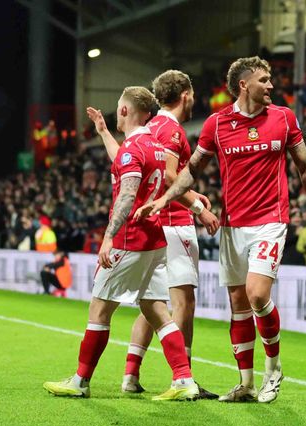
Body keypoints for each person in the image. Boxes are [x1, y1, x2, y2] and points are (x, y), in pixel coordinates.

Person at [136, 56, 306, 403]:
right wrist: (166, 198)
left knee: (257, 294)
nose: (271, 86)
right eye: (264, 80)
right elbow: (192, 169)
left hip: (271, 220)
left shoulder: (284, 118)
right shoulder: (217, 124)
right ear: (244, 85)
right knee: (239, 305)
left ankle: (273, 367)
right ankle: (246, 383)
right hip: (233, 225)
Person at [43, 86, 199, 401]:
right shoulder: (153, 146)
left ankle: (80, 380)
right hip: (155, 240)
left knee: (99, 309)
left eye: (117, 108)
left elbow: (127, 194)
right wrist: (102, 132)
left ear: (125, 111)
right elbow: (125, 161)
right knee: (156, 310)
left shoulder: (133, 149)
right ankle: (184, 380)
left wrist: (109, 237)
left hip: (131, 240)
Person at [88, 70, 220, 397]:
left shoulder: (147, 131)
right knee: (182, 302)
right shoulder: (170, 130)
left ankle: (131, 375)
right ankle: (184, 377)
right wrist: (197, 207)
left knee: (151, 303)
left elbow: (127, 161)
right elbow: (171, 174)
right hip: (168, 223)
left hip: (151, 226)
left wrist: (104, 133)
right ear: (186, 95)